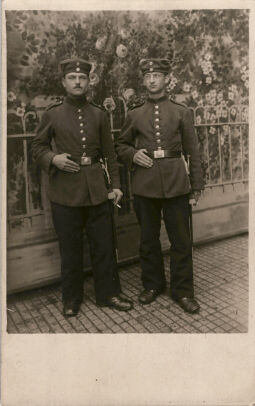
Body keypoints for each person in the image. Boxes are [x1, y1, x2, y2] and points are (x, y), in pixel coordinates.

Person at [32, 57, 133, 317]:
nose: (78, 82)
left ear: (89, 82)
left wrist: (117, 186)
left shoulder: (98, 114)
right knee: (70, 249)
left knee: (104, 246)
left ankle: (108, 293)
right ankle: (71, 299)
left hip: (97, 189)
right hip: (64, 192)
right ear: (64, 82)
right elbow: (37, 147)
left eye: (82, 78)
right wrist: (53, 158)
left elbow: (110, 155)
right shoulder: (52, 114)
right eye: (72, 78)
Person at [115, 58, 204, 314]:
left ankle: (183, 291)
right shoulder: (134, 113)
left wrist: (196, 185)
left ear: (166, 79)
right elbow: (120, 145)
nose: (152, 79)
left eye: (157, 75)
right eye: (148, 76)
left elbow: (193, 151)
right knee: (148, 240)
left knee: (181, 240)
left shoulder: (181, 111)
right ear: (143, 81)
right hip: (145, 184)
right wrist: (133, 155)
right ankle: (152, 285)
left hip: (177, 183)